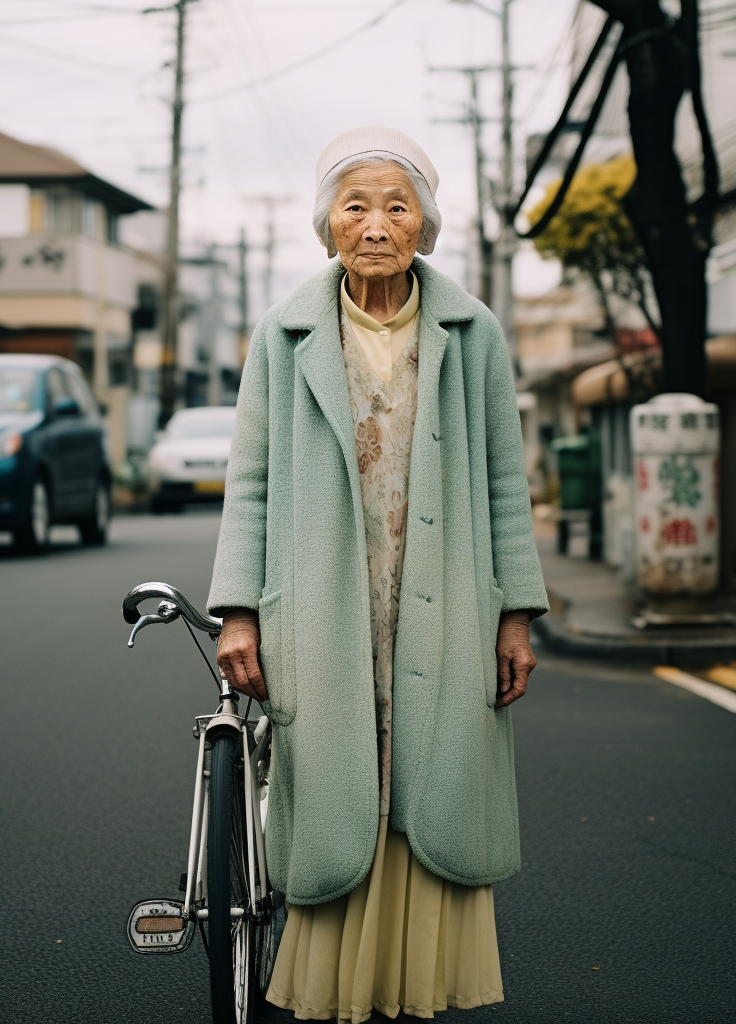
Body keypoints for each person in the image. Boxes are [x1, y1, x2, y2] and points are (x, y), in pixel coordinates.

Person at [207, 125, 548, 1022]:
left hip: (445, 596)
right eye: (355, 206)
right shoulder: (282, 337)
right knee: (335, 774)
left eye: (398, 206)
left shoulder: (473, 335)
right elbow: (249, 484)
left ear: (425, 229)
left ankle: (422, 984)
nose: (376, 224)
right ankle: (336, 990)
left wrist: (517, 615)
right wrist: (238, 611)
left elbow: (506, 483)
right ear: (327, 226)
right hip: (323, 598)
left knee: (434, 773)